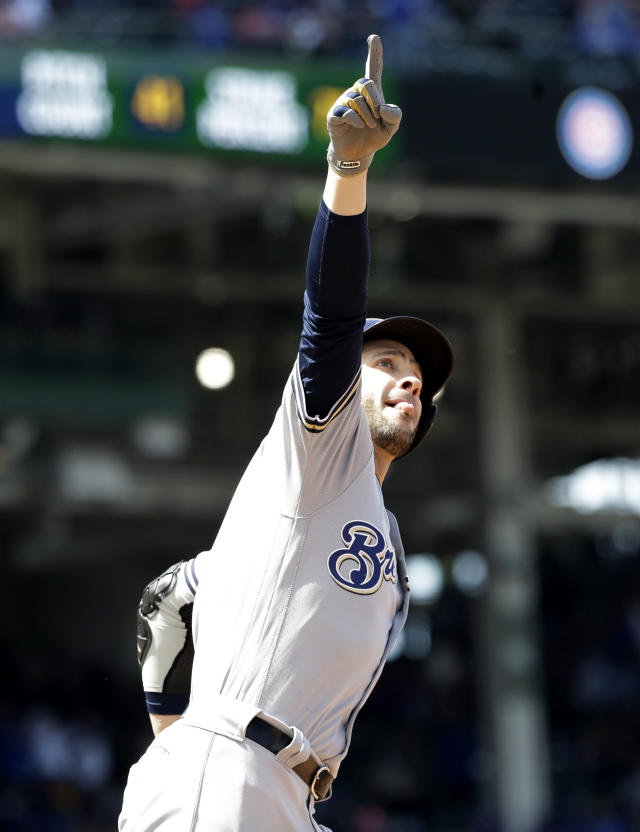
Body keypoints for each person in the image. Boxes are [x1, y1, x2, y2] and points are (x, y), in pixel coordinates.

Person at [119, 33, 454, 832]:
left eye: (418, 372)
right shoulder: (318, 455)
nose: (409, 376)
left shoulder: (369, 526)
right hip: (227, 774)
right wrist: (350, 171)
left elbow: (168, 595)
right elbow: (332, 314)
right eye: (387, 359)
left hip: (286, 793)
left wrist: (179, 734)